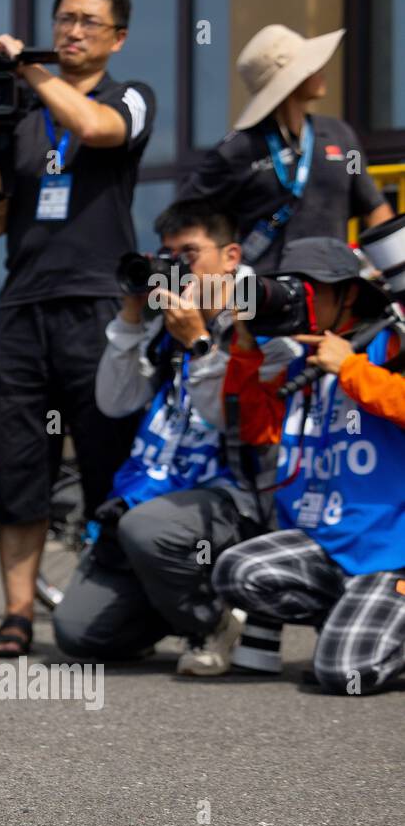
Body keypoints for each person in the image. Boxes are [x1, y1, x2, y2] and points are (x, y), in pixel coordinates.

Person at [0, 0, 154, 656]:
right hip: (23, 307)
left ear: (116, 38)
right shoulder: (23, 114)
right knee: (17, 465)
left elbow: (97, 131)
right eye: (64, 19)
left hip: (99, 304)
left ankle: (120, 604)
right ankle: (16, 615)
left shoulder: (131, 96)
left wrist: (30, 70)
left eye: (87, 22)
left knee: (107, 457)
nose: (71, 30)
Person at [52, 198, 296, 674]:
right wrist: (129, 312)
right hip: (153, 495)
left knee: (148, 528)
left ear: (230, 257)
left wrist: (200, 345)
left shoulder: (265, 325)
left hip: (232, 499)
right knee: (79, 635)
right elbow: (114, 401)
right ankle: (171, 600)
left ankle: (211, 622)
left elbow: (235, 422)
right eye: (167, 255)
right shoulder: (169, 325)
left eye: (189, 254)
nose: (175, 268)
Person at [213, 237, 405, 695]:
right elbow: (259, 433)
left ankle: (382, 617)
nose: (296, 298)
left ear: (349, 294)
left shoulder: (389, 341)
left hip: (391, 554)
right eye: (287, 287)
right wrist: (244, 347)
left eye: (308, 288)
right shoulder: (304, 357)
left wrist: (350, 368)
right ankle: (355, 613)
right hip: (329, 546)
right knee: (235, 571)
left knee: (343, 673)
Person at [180, 25, 393, 275]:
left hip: (335, 293)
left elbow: (374, 207)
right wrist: (219, 279)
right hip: (266, 298)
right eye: (310, 65)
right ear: (291, 80)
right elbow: (184, 218)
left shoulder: (339, 135)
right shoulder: (237, 149)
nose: (321, 69)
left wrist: (390, 269)